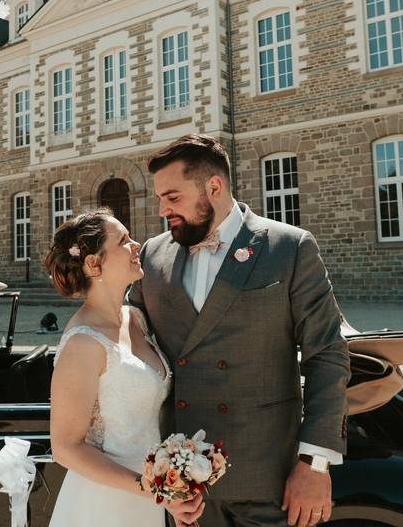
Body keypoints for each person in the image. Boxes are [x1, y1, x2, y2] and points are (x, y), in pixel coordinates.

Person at [127, 134, 351, 527]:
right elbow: (125, 341)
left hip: (271, 481)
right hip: (183, 491)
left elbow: (327, 356)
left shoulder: (289, 248)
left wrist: (315, 465)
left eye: (173, 197)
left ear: (214, 187)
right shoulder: (152, 255)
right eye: (160, 197)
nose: (163, 209)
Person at [45, 208, 205, 527]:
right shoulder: (82, 343)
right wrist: (152, 491)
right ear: (94, 263)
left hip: (150, 502)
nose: (136, 245)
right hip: (103, 504)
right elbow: (65, 447)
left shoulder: (136, 319)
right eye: (123, 240)